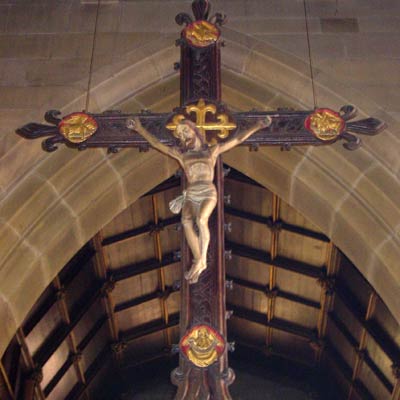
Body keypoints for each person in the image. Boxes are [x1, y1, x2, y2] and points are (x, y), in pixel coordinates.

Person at [127, 116, 271, 284]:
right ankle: (199, 260)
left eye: (185, 131)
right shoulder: (182, 155)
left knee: (202, 220)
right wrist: (139, 129)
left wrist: (257, 126)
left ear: (194, 130)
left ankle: (202, 258)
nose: (183, 136)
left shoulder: (211, 151)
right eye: (180, 135)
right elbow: (157, 144)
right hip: (191, 192)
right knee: (186, 221)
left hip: (207, 191)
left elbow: (237, 139)